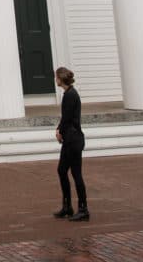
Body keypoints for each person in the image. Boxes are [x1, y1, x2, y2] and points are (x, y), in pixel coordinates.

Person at [53, 66, 89, 221]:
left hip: (73, 140)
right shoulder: (68, 93)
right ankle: (67, 206)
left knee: (76, 174)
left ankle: (83, 209)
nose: (55, 80)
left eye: (56, 77)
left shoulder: (70, 95)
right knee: (62, 170)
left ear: (60, 79)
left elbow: (67, 118)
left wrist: (59, 131)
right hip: (70, 139)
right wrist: (60, 130)